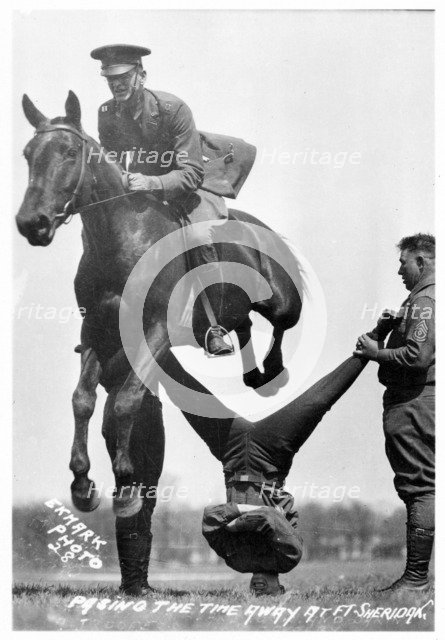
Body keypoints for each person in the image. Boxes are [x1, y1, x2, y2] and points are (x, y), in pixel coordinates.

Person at [90, 44, 256, 356]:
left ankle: (213, 325)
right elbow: (110, 161)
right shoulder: (107, 113)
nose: (117, 84)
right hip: (141, 188)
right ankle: (101, 322)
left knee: (198, 235)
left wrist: (149, 182)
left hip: (188, 188)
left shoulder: (173, 109)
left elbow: (191, 173)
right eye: (110, 78)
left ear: (141, 75)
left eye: (124, 76)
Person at [162, 351, 367, 595]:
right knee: (317, 402)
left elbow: (209, 518)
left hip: (232, 454)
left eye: (255, 596)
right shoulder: (288, 557)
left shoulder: (237, 562)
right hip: (270, 456)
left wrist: (240, 518)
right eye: (266, 595)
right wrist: (238, 522)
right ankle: (367, 349)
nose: (258, 592)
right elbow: (269, 517)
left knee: (188, 396)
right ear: (279, 589)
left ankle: (153, 347)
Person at [354, 233, 435, 592]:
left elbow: (417, 357)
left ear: (422, 261)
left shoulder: (426, 300)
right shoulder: (420, 299)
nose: (399, 269)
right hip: (420, 402)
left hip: (414, 404)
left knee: (420, 488)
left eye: (404, 262)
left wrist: (376, 353)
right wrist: (386, 333)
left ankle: (415, 579)